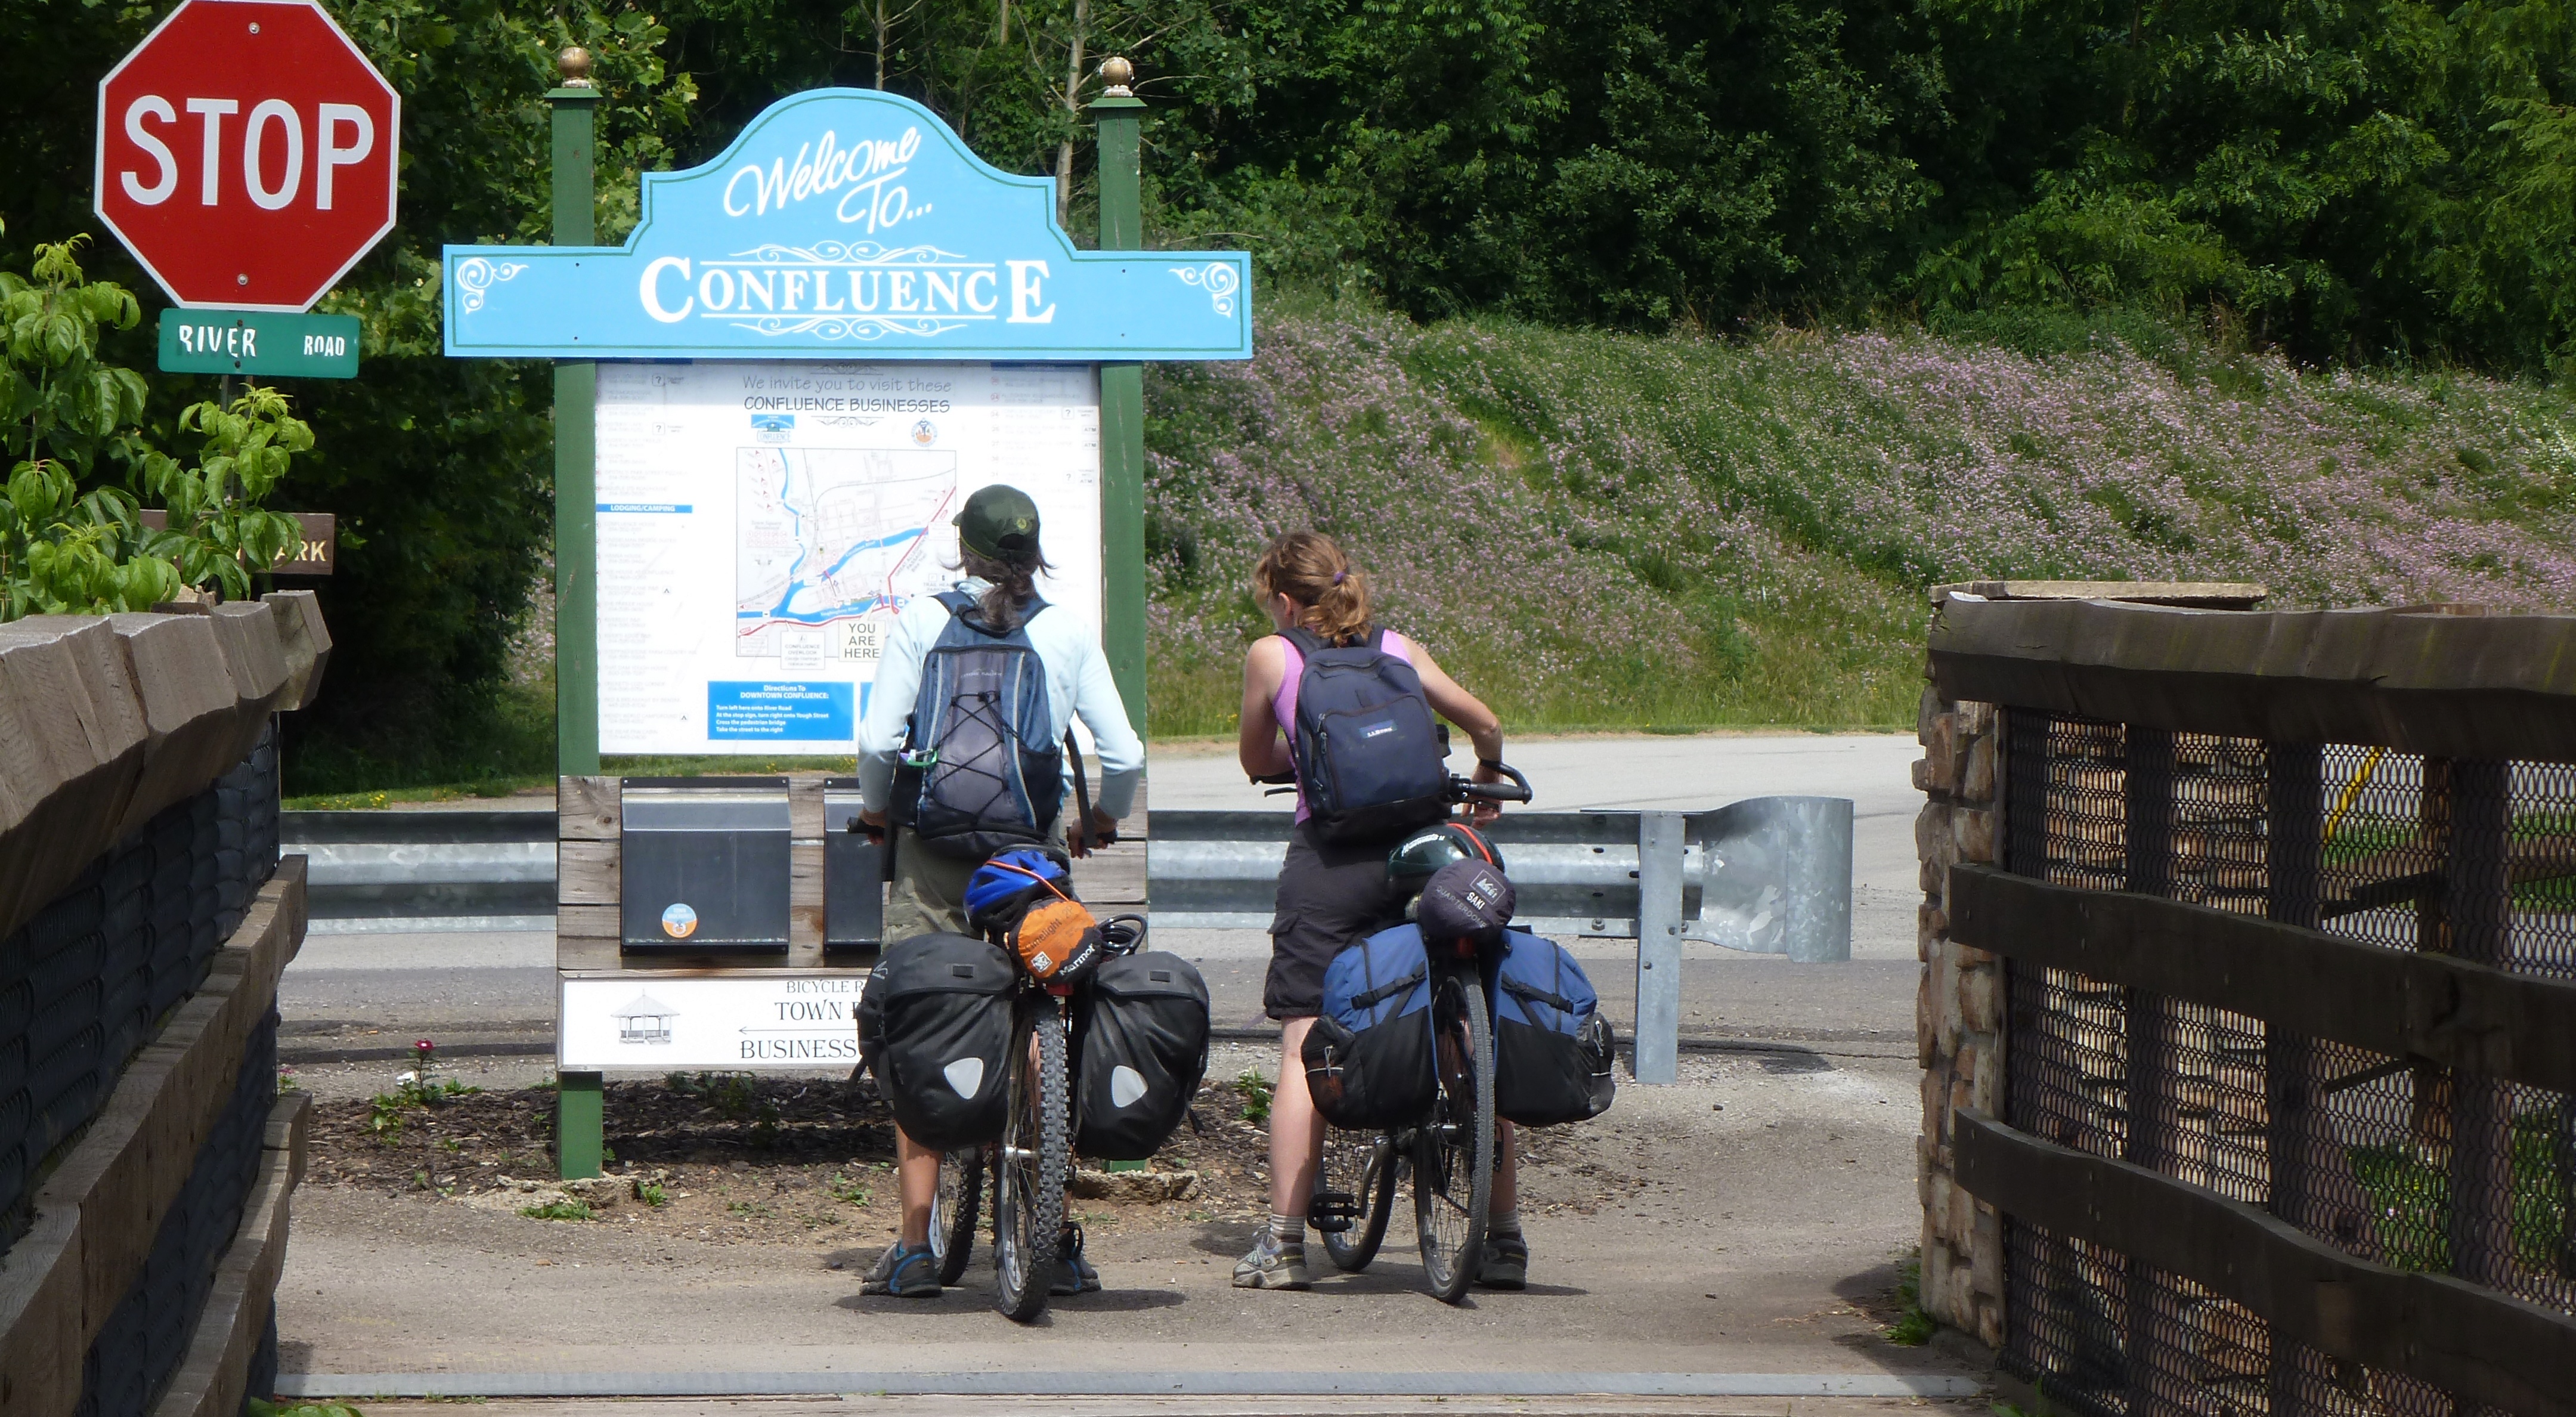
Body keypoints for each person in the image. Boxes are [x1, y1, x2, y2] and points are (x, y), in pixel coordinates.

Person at [852, 483, 1143, 1299]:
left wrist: (879, 812)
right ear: (1034, 550)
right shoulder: (1065, 630)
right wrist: (1102, 823)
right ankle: (1055, 1225)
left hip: (936, 854)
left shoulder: (921, 621)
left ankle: (915, 1245)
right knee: (1051, 1009)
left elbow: (879, 740)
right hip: (1029, 860)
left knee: (921, 1018)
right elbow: (1123, 756)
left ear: (964, 548)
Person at [1228, 530, 1529, 1291]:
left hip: (1330, 867)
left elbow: (1258, 760)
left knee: (1305, 1034)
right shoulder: (1400, 647)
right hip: (1425, 858)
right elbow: (1486, 723)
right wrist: (1487, 769)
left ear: (1289, 601)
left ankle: (1284, 1244)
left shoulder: (1276, 655)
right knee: (1469, 1032)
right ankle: (1502, 1238)